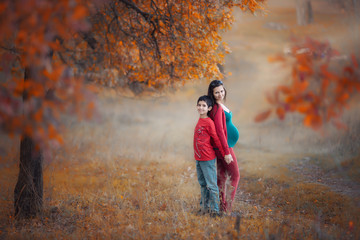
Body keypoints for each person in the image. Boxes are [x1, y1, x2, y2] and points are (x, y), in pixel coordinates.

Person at [208, 80, 240, 214]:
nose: (220, 94)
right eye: (217, 92)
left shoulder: (220, 105)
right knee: (235, 175)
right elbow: (220, 131)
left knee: (221, 177)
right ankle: (227, 208)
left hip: (223, 146)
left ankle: (221, 207)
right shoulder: (216, 108)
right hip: (224, 147)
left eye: (222, 91)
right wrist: (226, 152)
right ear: (212, 94)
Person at [193, 95, 225, 217]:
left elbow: (216, 139)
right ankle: (204, 208)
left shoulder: (209, 122)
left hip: (207, 158)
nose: (201, 107)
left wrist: (224, 153)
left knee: (211, 185)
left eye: (204, 106)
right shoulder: (200, 120)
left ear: (209, 108)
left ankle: (215, 211)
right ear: (196, 106)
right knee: (202, 184)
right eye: (199, 105)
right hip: (199, 158)